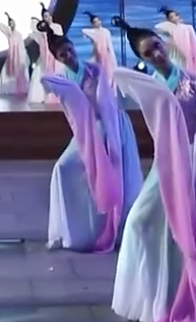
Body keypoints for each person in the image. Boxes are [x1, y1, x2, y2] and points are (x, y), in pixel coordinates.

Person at [110, 22, 196, 322]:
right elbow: (120, 79)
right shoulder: (150, 87)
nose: (156, 54)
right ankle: (159, 295)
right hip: (168, 162)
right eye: (148, 53)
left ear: (164, 43)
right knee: (139, 223)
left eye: (157, 46)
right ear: (142, 59)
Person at [39, 31, 141, 252]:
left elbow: (106, 102)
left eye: (69, 50)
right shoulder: (63, 79)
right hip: (89, 131)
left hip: (112, 124)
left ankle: (118, 226)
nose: (68, 55)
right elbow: (71, 112)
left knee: (119, 175)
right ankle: (74, 230)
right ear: (58, 59)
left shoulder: (94, 70)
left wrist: (109, 135)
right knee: (63, 168)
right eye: (62, 55)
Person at [26, 3, 64, 103]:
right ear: (43, 19)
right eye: (46, 16)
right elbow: (32, 28)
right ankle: (41, 96)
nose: (49, 18)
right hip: (44, 57)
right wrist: (36, 20)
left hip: (55, 55)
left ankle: (55, 95)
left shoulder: (57, 27)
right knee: (40, 73)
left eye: (49, 15)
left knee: (56, 74)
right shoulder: (42, 31)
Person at [154, 6, 196, 74]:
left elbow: (195, 46)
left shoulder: (188, 28)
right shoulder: (170, 29)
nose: (174, 18)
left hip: (188, 55)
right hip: (177, 57)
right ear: (168, 20)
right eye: (171, 17)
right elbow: (158, 28)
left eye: (176, 15)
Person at [0, 13, 30, 96]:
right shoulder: (9, 33)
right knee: (8, 72)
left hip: (18, 55)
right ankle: (9, 88)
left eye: (13, 23)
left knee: (18, 72)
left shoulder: (19, 34)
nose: (12, 25)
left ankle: (19, 87)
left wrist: (22, 56)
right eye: (10, 23)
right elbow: (1, 26)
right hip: (11, 55)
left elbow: (21, 46)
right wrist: (8, 17)